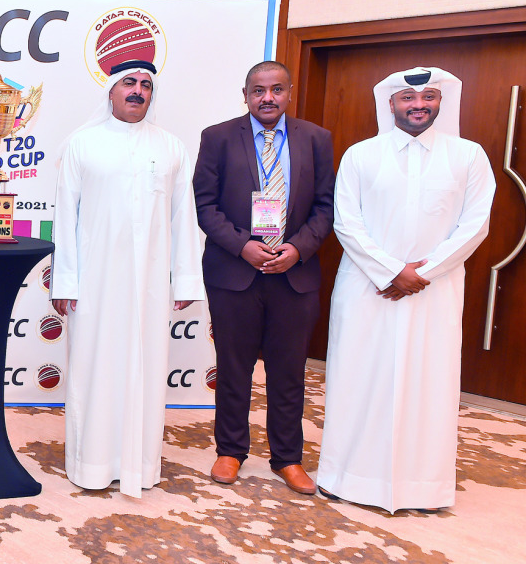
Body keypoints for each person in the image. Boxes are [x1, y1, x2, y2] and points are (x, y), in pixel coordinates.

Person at [317, 67, 494, 513]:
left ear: (441, 102)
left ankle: (422, 488)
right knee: (358, 379)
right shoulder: (361, 155)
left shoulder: (469, 156)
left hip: (434, 292)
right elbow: (346, 223)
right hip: (366, 289)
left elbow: (475, 226)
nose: (419, 105)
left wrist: (423, 273)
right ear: (390, 104)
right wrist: (392, 271)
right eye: (408, 98)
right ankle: (346, 477)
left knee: (427, 383)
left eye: (429, 97)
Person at [50, 60, 204, 496]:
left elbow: (183, 218)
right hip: (95, 283)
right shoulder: (81, 144)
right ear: (111, 91)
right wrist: (65, 282)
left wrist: (187, 280)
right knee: (93, 368)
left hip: (151, 286)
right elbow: (66, 218)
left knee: (146, 369)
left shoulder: (171, 147)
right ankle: (91, 464)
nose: (138, 91)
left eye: (145, 85)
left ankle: (139, 465)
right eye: (129, 83)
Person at [192, 61, 334, 495]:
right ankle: (231, 451)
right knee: (233, 368)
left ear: (290, 92)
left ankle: (288, 459)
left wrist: (298, 250)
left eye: (276, 90)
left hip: (295, 273)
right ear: (246, 94)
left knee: (289, 372)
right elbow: (205, 206)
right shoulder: (217, 137)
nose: (267, 98)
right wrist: (243, 246)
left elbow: (327, 206)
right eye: (258, 90)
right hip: (234, 271)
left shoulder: (316, 139)